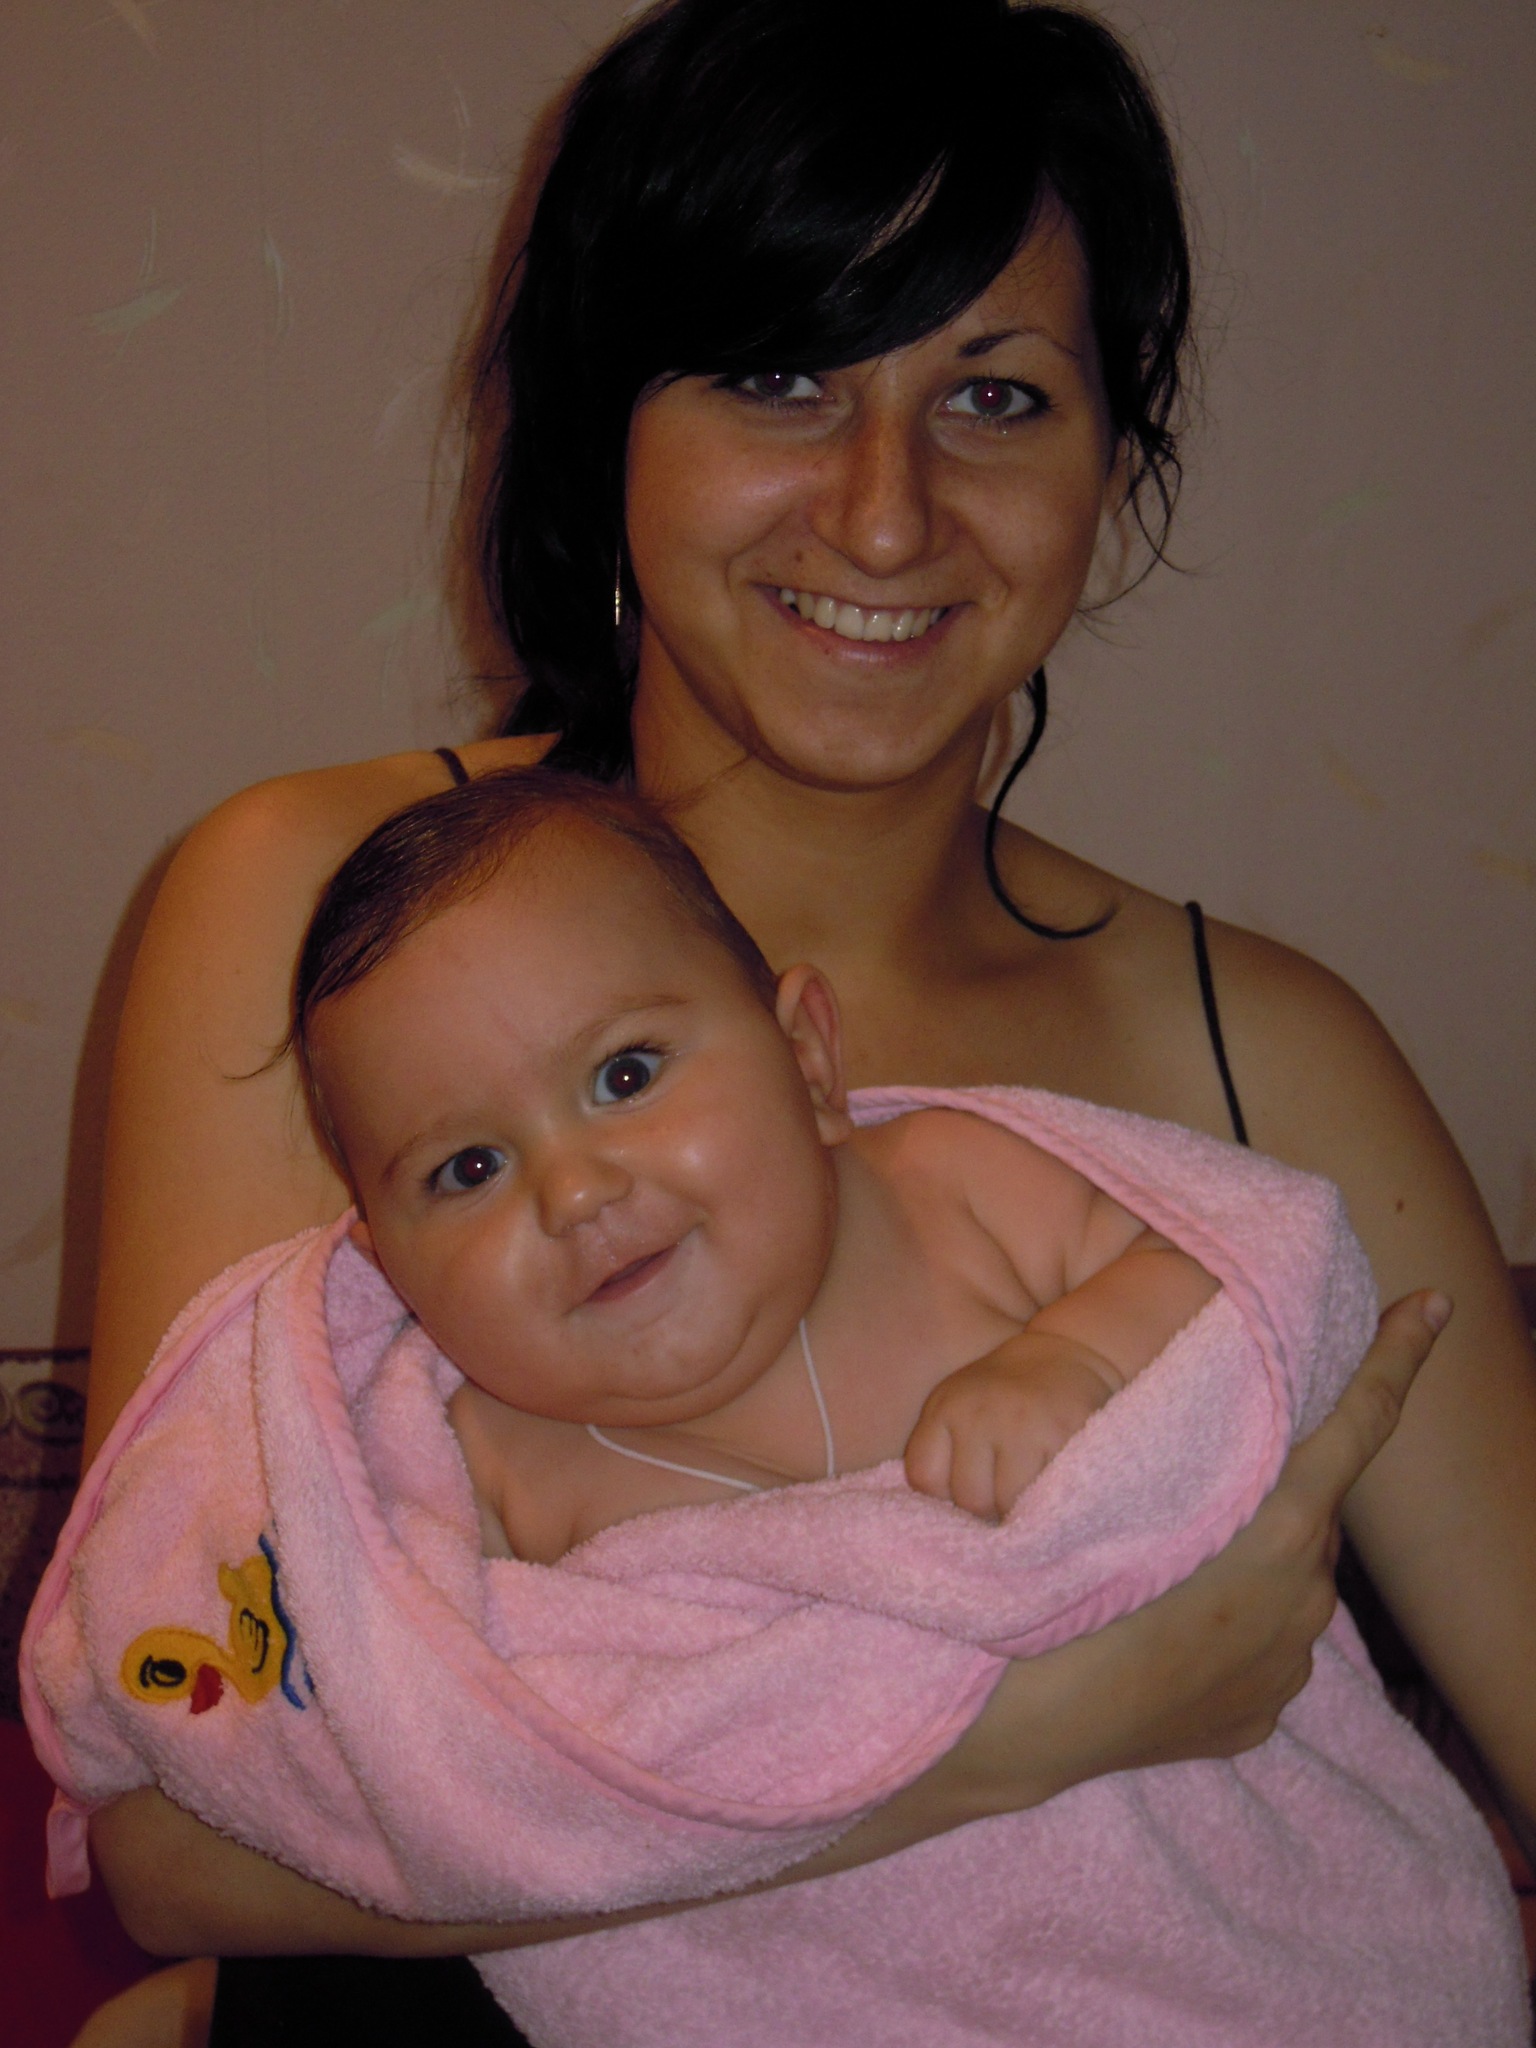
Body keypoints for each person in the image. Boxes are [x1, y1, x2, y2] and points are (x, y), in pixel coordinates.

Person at [75, 0, 1535, 2037]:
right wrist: (1019, 1736)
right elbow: (175, 1845)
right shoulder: (322, 922)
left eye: (996, 396)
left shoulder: (1261, 1053)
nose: (884, 512)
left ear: (1112, 464)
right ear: (607, 420)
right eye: (779, 374)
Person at [297, 769, 1221, 1550]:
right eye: (470, 1169)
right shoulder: (473, 1480)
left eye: (625, 1076)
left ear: (807, 1062)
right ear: (391, 1269)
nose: (572, 1193)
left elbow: (1225, 1269)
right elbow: (423, 1694)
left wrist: (1077, 1357)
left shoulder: (954, 1186)